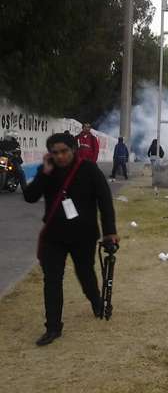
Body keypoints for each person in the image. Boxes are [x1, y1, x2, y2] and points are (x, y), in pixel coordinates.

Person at [23, 133, 118, 346]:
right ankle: (53, 327)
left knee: (85, 274)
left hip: (83, 236)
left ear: (73, 149)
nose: (60, 156)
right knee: (52, 280)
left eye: (64, 151)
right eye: (55, 153)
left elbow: (104, 201)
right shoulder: (47, 171)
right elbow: (30, 197)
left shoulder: (89, 169)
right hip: (53, 236)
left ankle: (96, 302)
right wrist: (44, 173)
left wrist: (109, 232)